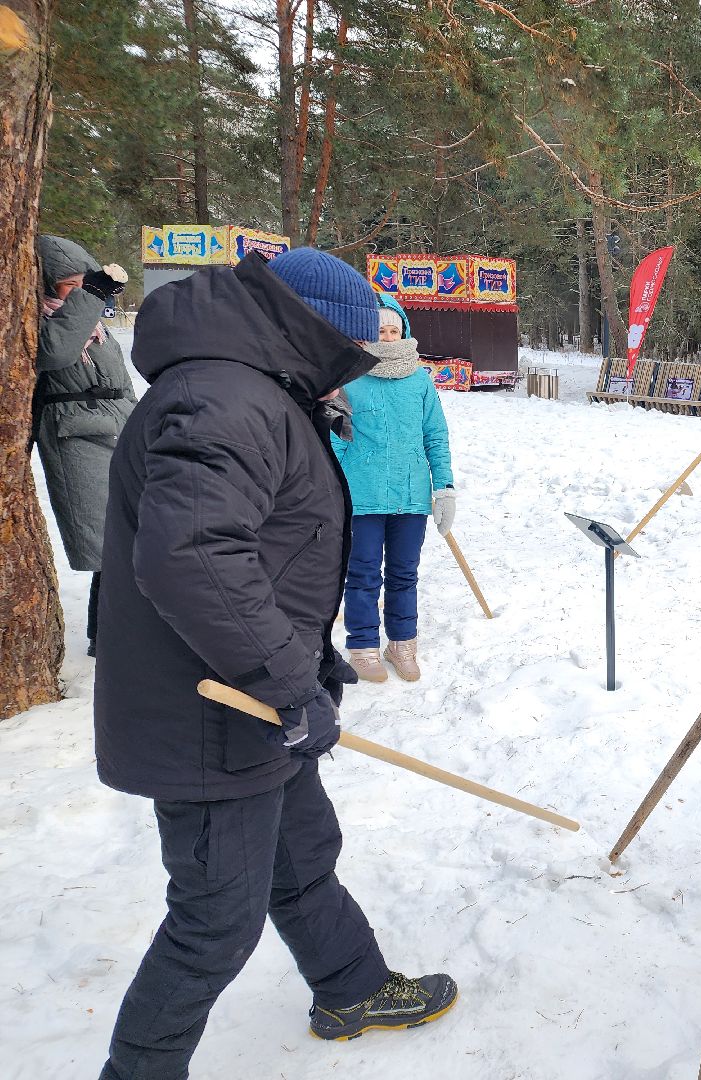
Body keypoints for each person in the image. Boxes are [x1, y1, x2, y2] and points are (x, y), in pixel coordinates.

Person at [93, 247, 457, 1080]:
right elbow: (193, 555)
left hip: (251, 696)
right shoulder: (224, 396)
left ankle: (349, 986)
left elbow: (261, 552)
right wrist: (288, 682)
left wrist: (306, 666)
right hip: (210, 713)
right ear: (310, 330)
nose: (350, 376)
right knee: (215, 919)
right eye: (346, 356)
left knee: (301, 853)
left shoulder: (251, 387)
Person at [334, 292, 455, 683]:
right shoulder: (349, 377)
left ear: (402, 331)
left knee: (404, 573)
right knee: (364, 573)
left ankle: (402, 644)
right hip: (363, 495)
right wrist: (333, 482)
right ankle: (363, 647)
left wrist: (445, 488)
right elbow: (335, 435)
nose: (387, 337)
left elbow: (435, 436)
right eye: (379, 331)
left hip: (410, 493)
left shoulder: (420, 380)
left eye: (392, 329)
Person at [32, 235, 137, 657]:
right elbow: (55, 352)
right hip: (78, 439)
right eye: (70, 287)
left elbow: (121, 384)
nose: (80, 294)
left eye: (85, 285)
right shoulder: (44, 323)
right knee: (106, 547)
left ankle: (117, 633)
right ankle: (107, 638)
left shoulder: (91, 324)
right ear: (47, 286)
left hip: (116, 433)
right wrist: (90, 297)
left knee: (129, 540)